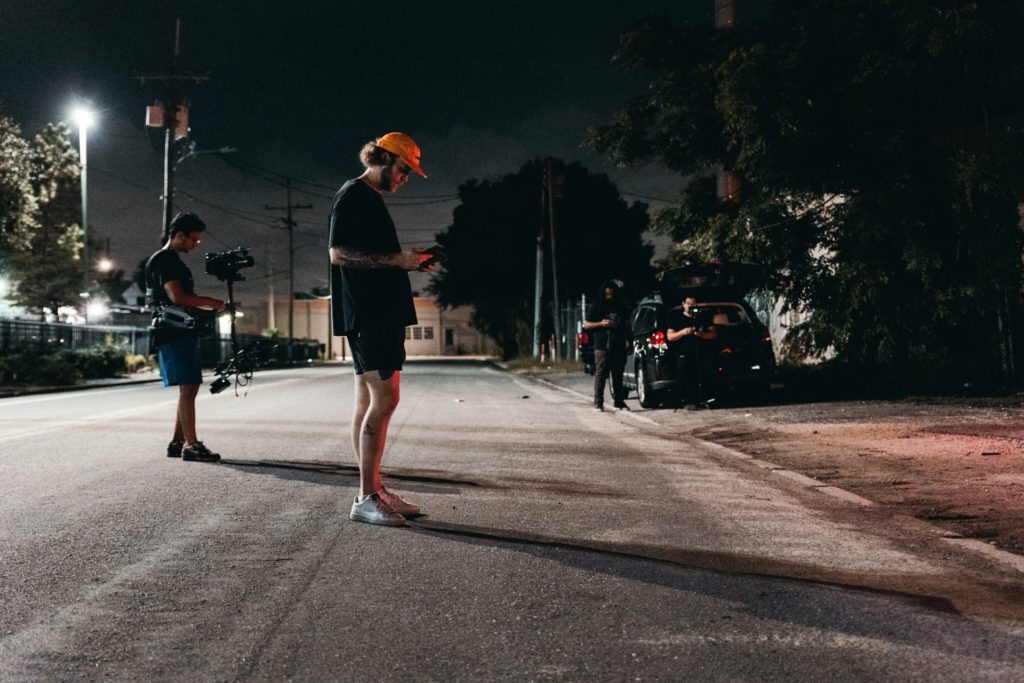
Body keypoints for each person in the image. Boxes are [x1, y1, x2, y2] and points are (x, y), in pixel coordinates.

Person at [328, 132, 433, 527]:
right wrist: (397, 260)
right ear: (385, 158)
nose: (406, 177)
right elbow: (338, 254)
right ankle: (366, 497)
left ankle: (373, 486)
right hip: (370, 313)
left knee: (365, 402)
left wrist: (409, 261)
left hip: (375, 311)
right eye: (405, 169)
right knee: (385, 401)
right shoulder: (353, 195)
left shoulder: (368, 198)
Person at [145, 211, 227, 462]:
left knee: (188, 387)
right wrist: (213, 302)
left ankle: (178, 442)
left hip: (178, 330)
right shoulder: (165, 260)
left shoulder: (170, 260)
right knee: (189, 386)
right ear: (179, 235)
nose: (196, 244)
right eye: (194, 239)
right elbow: (177, 297)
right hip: (172, 331)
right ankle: (191, 445)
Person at [583, 280, 631, 411]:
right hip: (602, 345)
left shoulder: (621, 306)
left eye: (612, 294)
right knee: (601, 373)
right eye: (607, 294)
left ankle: (619, 402)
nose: (609, 297)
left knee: (618, 374)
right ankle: (598, 403)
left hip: (619, 343)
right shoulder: (596, 306)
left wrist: (630, 342)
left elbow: (627, 325)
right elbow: (586, 324)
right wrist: (600, 324)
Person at [666, 295, 718, 408]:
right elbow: (670, 336)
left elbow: (714, 333)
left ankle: (706, 399)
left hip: (702, 353)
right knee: (686, 376)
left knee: (706, 373)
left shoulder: (702, 317)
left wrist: (701, 334)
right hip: (685, 353)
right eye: (688, 303)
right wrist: (683, 332)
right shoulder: (677, 318)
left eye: (693, 304)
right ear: (683, 304)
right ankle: (689, 401)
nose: (691, 306)